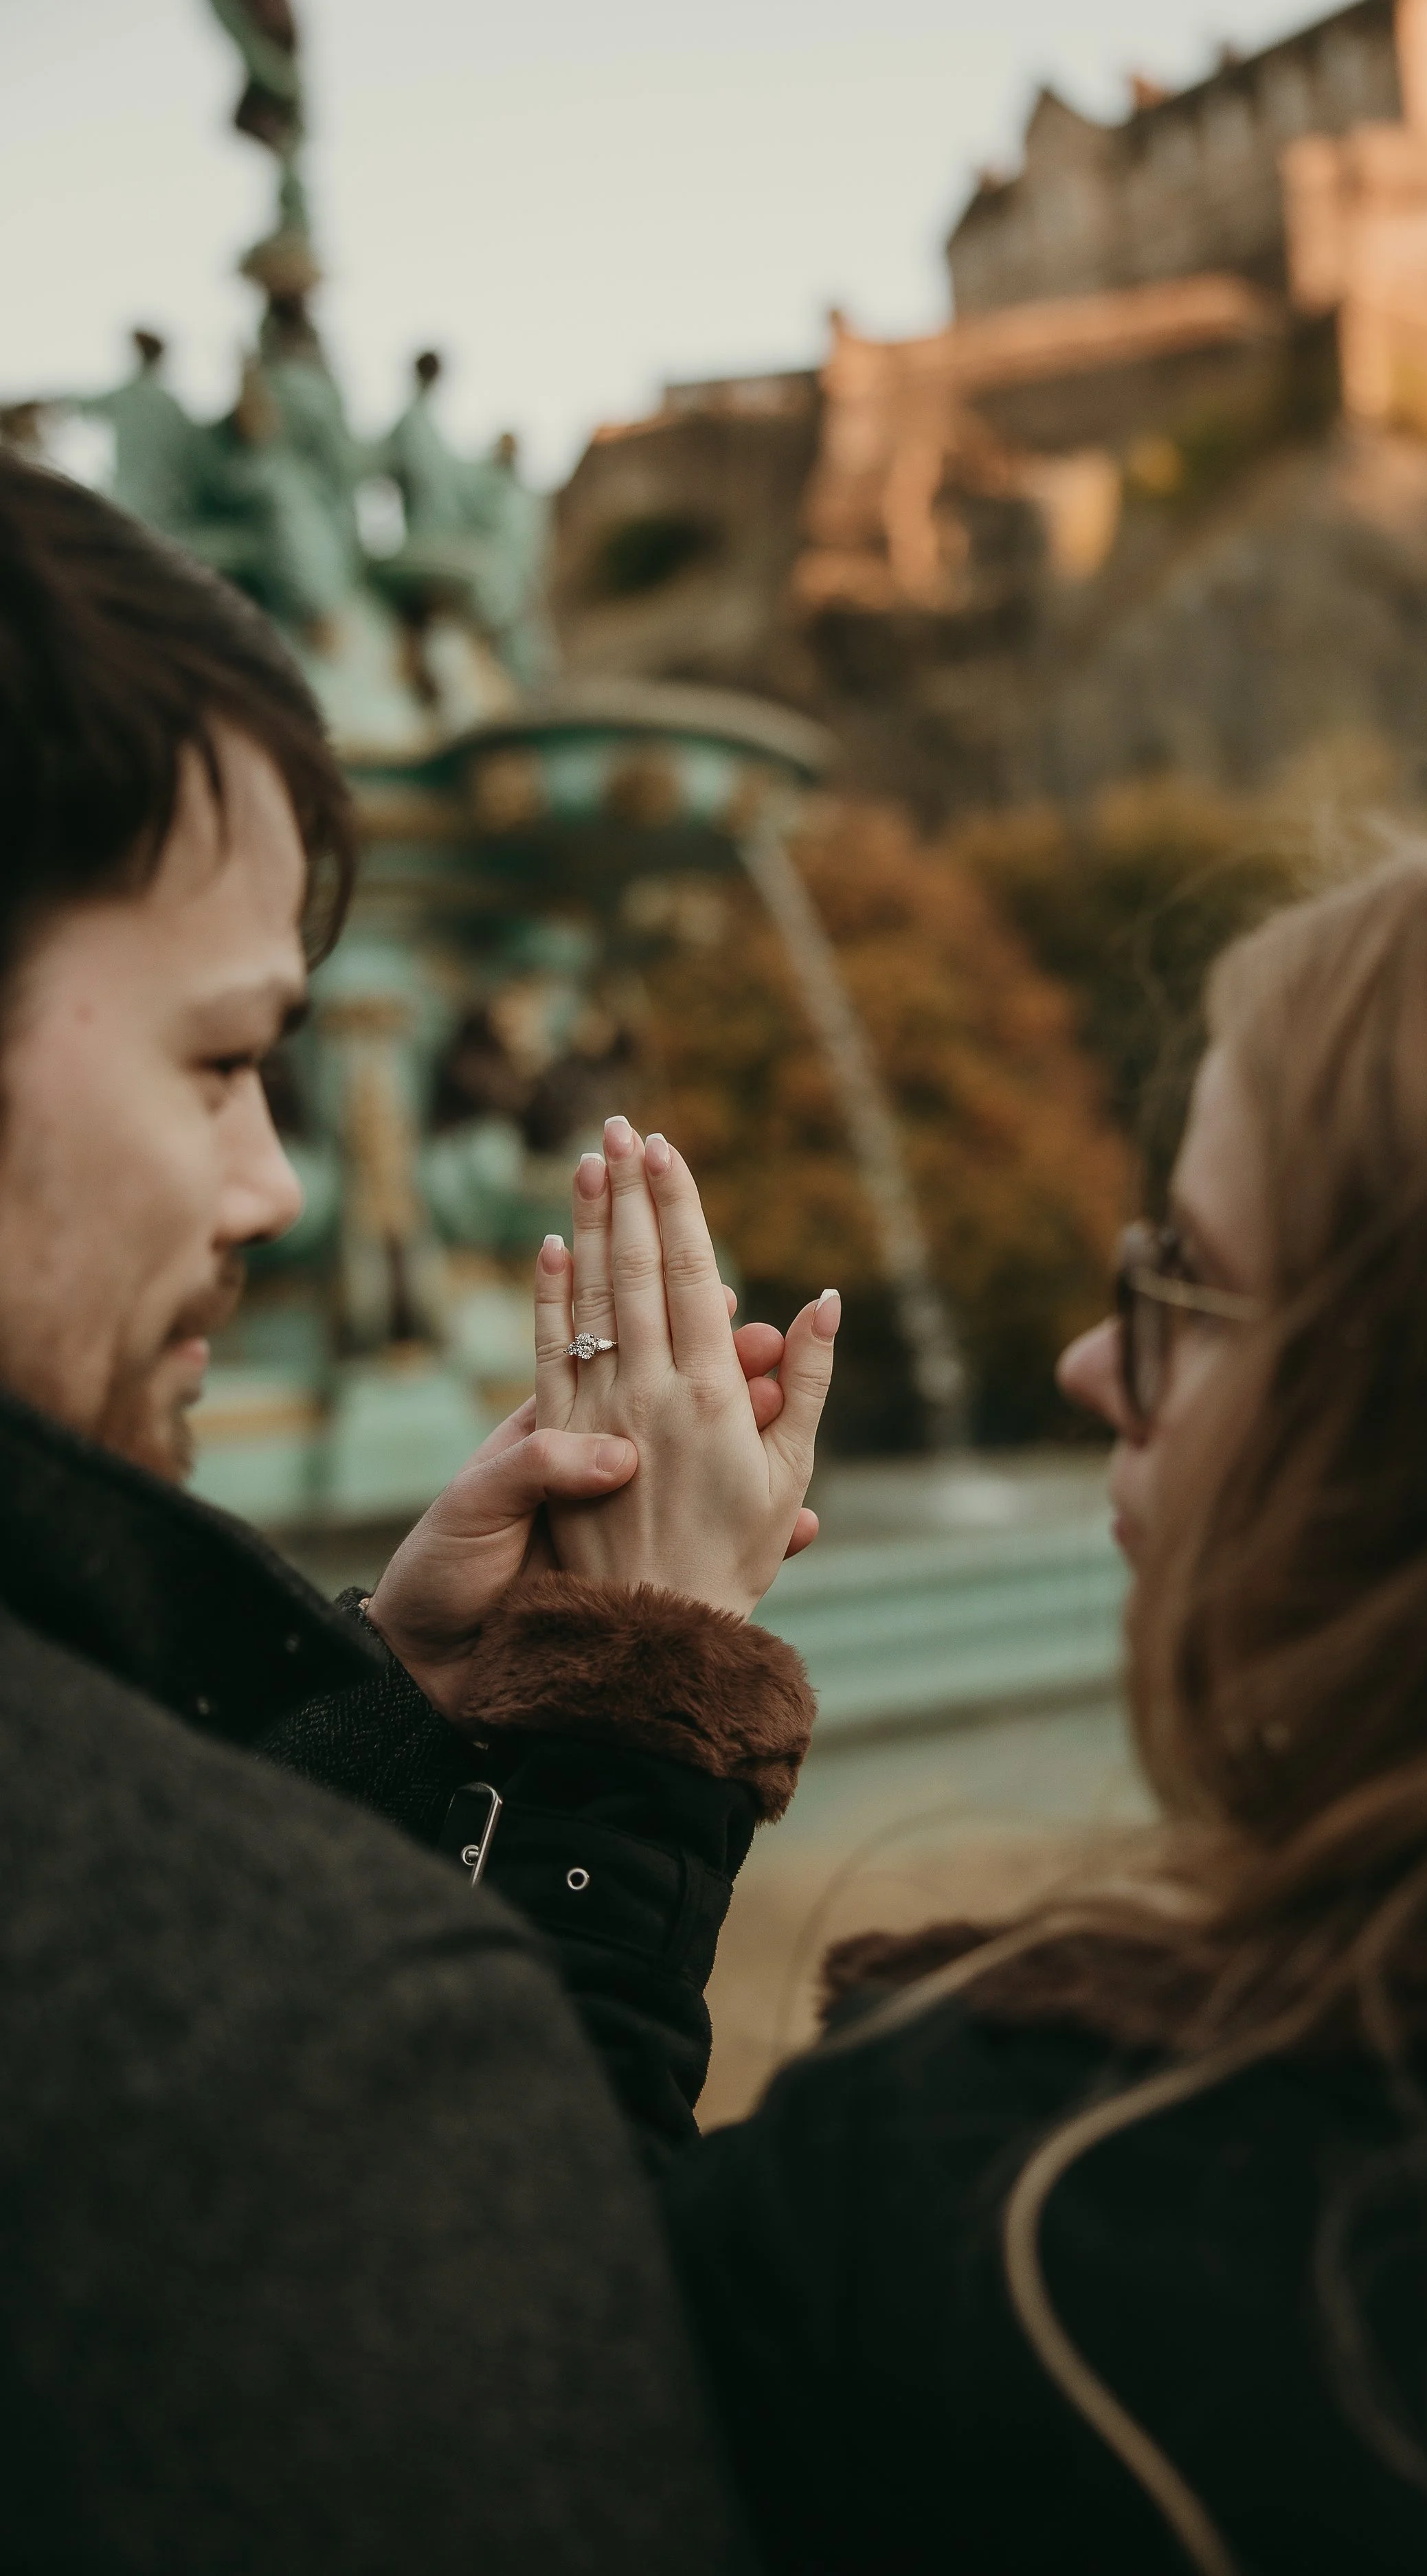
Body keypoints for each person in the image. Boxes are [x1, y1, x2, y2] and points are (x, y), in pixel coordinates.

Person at [416, 837, 1427, 2575]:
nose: (1090, 1366)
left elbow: (493, 2410)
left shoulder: (1030, 2228)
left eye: (1179, 1284)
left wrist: (629, 1693)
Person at [0, 451, 841, 2571]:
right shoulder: (309, 2045)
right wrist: (631, 1744)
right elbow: (566, 2404)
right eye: (214, 1064)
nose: (277, 1184)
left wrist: (389, 1699)